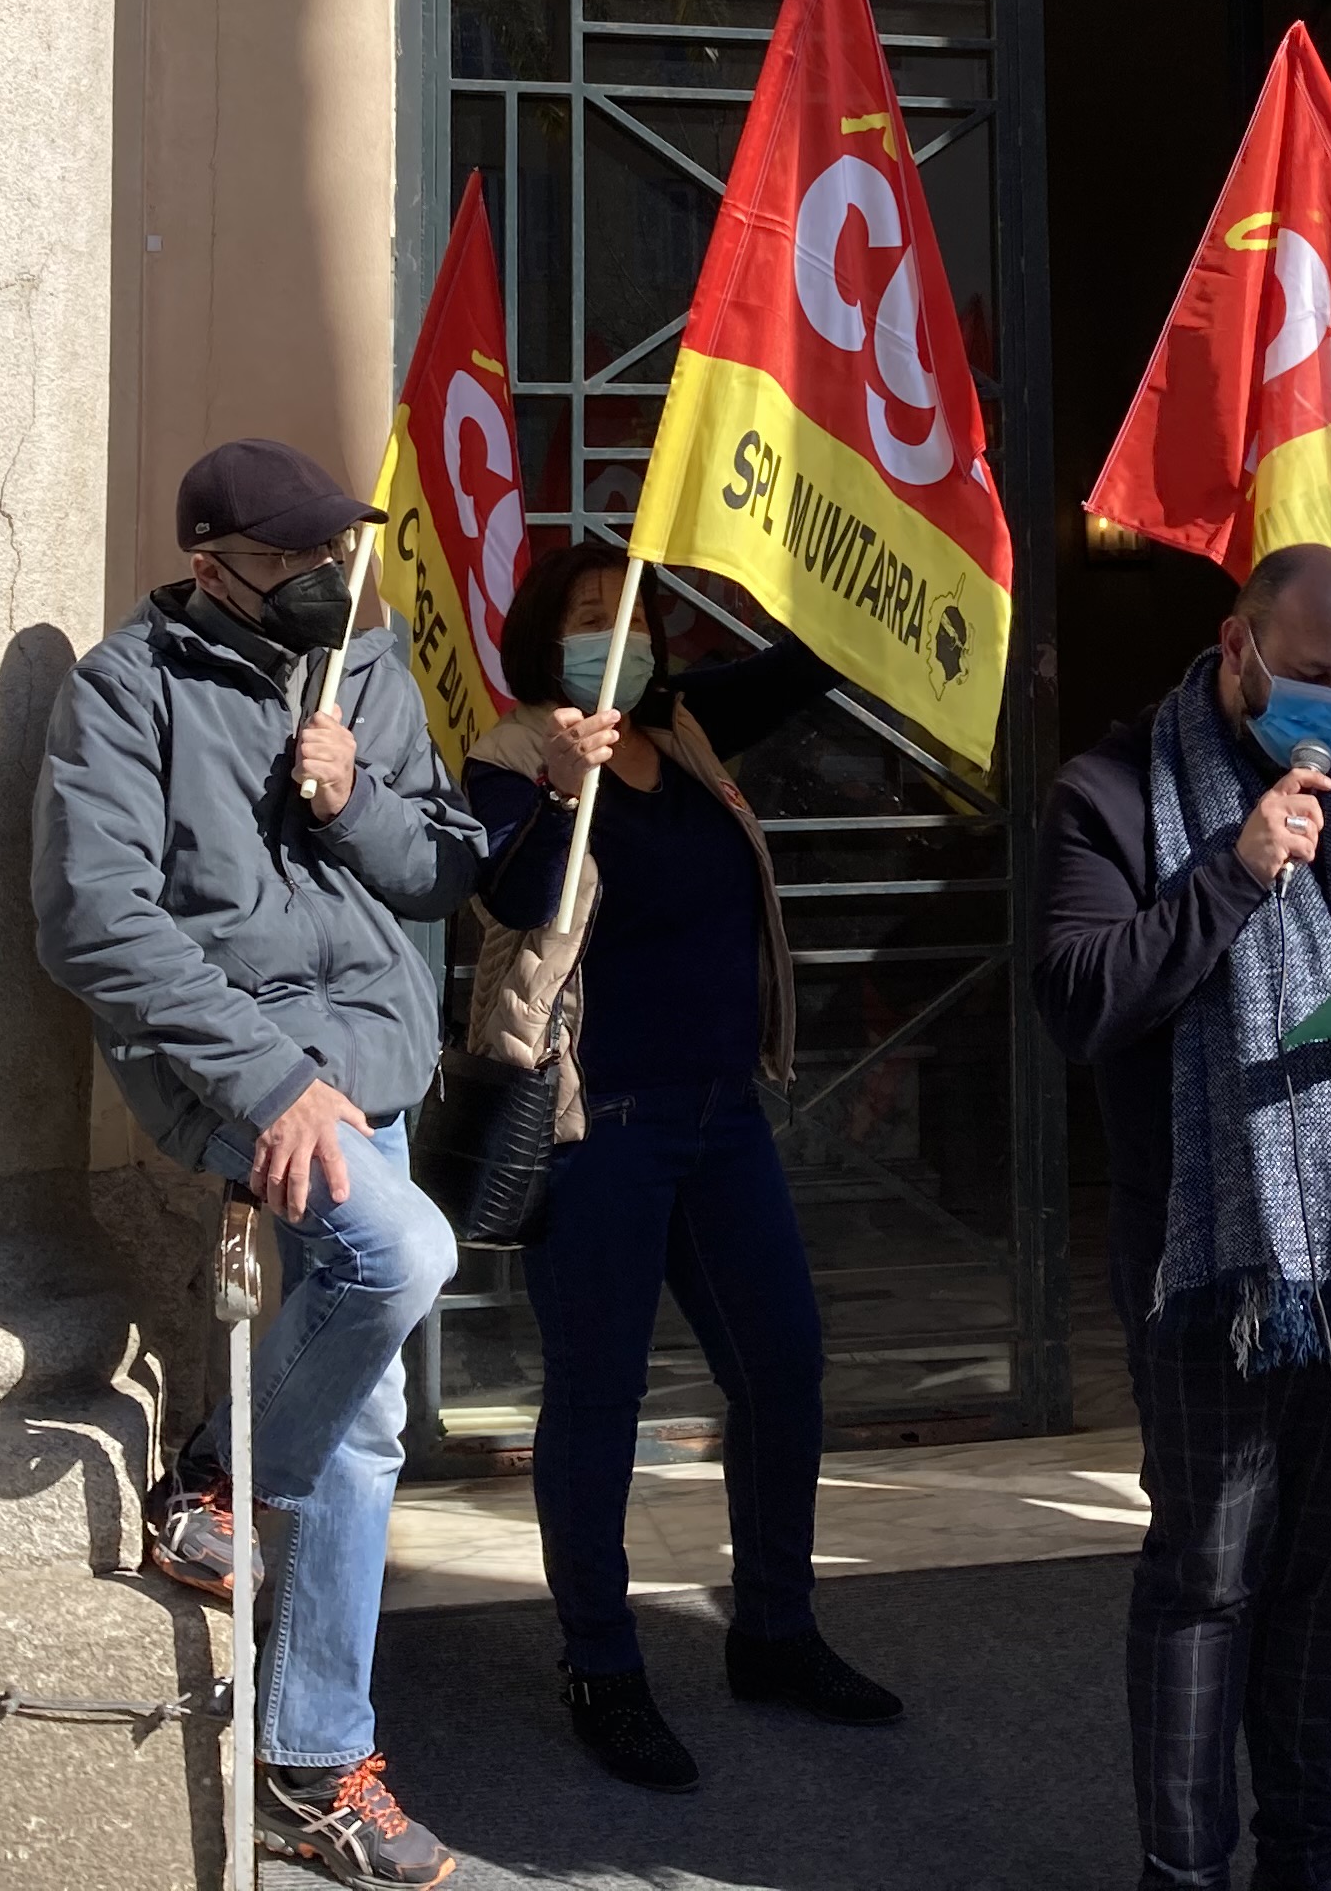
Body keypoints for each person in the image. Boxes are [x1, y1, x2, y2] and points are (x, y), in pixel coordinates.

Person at [36, 437, 485, 1889]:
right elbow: (96, 922)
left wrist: (357, 798)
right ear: (212, 563)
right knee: (406, 1257)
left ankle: (308, 1765)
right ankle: (216, 1476)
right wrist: (271, 1082)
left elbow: (442, 869)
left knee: (364, 1426)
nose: (320, 586)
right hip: (234, 1065)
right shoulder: (126, 690)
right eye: (289, 565)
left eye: (328, 562)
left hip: (372, 1066)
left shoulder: (365, 669)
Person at [1036, 541, 1331, 1891]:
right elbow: (1079, 997)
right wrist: (1232, 873)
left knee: (1328, 1571)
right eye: (1312, 675)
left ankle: (1311, 1853)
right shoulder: (1117, 790)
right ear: (1238, 646)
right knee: (1210, 1571)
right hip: (1214, 1259)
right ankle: (1183, 1870)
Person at [456, 540, 900, 1793]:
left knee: (784, 1369)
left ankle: (774, 1631)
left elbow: (812, 666)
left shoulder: (691, 728)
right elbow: (513, 899)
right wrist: (555, 785)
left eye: (639, 615)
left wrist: (867, 552)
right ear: (547, 639)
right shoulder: (507, 759)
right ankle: (603, 1666)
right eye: (594, 618)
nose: (622, 635)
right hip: (600, 1129)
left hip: (722, 1121)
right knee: (597, 1402)